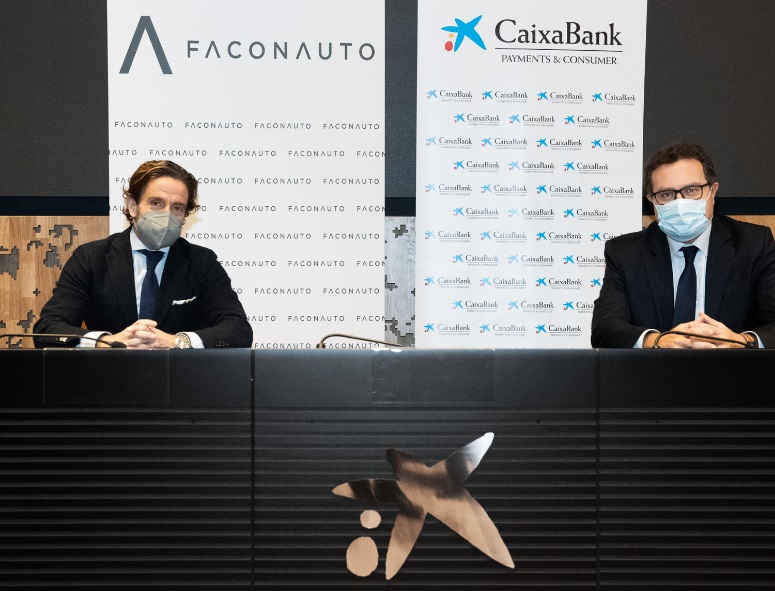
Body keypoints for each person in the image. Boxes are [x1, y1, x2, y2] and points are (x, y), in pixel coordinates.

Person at [33, 160, 252, 349]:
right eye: (156, 203)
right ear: (132, 206)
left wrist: (176, 341)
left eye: (177, 208)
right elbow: (48, 328)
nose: (167, 214)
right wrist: (107, 342)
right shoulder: (91, 258)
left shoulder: (201, 262)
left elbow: (238, 329)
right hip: (108, 378)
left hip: (181, 379)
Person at [591, 142, 775, 349]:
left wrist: (743, 342)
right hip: (655, 369)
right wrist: (656, 341)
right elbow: (604, 329)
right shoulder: (625, 254)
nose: (679, 203)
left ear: (713, 192)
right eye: (666, 194)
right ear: (652, 200)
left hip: (733, 368)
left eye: (691, 190)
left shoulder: (754, 245)